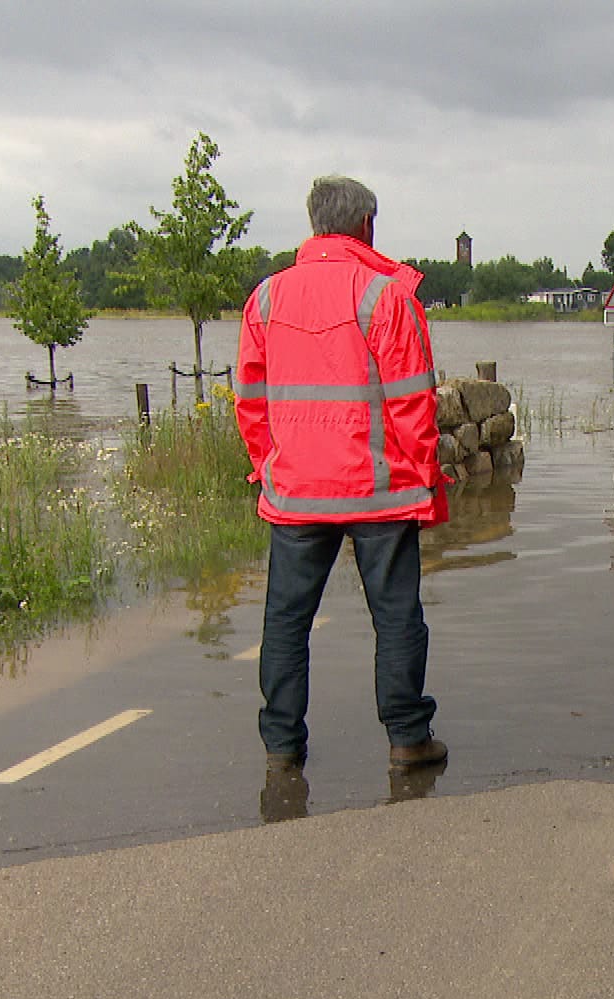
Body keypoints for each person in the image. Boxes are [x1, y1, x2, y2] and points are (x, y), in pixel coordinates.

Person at [235, 174, 449, 775]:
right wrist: (426, 481)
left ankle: (282, 749)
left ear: (313, 223)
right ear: (365, 225)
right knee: (397, 617)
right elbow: (412, 403)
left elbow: (250, 401)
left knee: (285, 622)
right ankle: (408, 739)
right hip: (378, 491)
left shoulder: (266, 298)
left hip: (298, 492)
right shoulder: (386, 296)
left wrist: (267, 467)